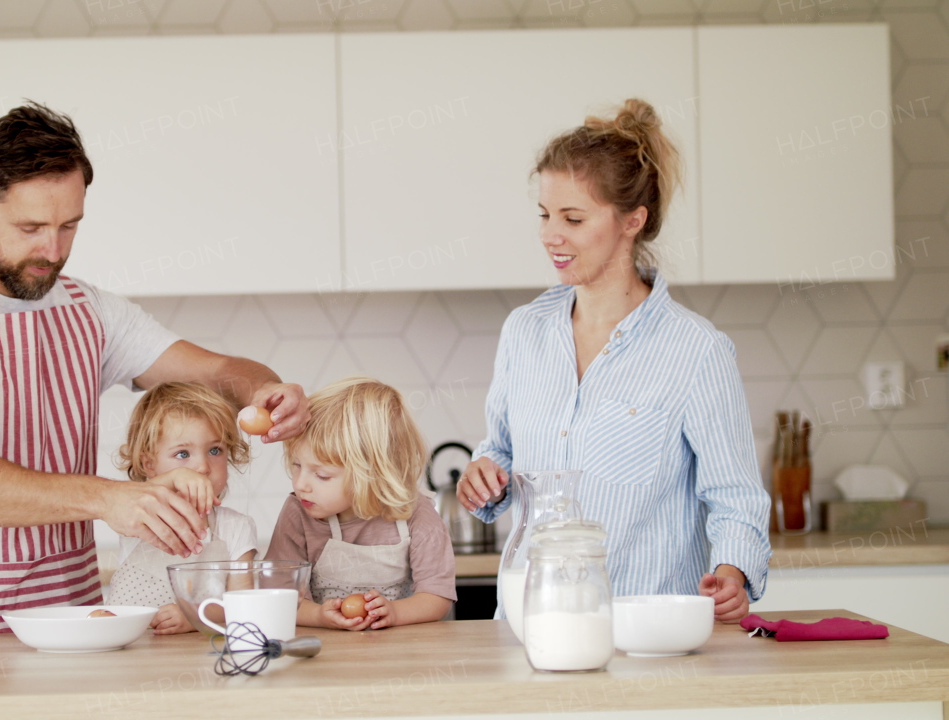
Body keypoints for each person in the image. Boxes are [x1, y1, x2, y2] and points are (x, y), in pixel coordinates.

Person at [0, 102, 307, 635]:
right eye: (30, 227)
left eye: (69, 226)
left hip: (77, 621)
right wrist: (108, 497)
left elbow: (217, 371)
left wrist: (262, 388)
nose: (52, 250)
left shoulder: (91, 311)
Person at [455, 99, 771, 624]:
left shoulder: (695, 351)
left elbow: (735, 497)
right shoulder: (524, 332)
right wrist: (484, 474)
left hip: (643, 635)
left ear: (633, 221)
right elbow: (502, 450)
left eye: (573, 218)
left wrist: (733, 573)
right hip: (531, 630)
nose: (549, 235)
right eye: (545, 215)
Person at [265, 377, 456, 630]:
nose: (301, 484)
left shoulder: (416, 514)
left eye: (322, 475)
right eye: (297, 465)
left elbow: (437, 597)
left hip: (404, 653)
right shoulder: (298, 512)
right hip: (325, 653)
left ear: (374, 473)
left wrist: (395, 613)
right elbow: (279, 597)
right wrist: (320, 616)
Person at [103, 382, 258, 634]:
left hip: (195, 654)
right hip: (128, 645)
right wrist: (174, 479)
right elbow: (138, 495)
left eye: (215, 450)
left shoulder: (236, 528)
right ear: (149, 463)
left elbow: (243, 604)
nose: (202, 467)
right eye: (183, 454)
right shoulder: (139, 512)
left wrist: (195, 615)